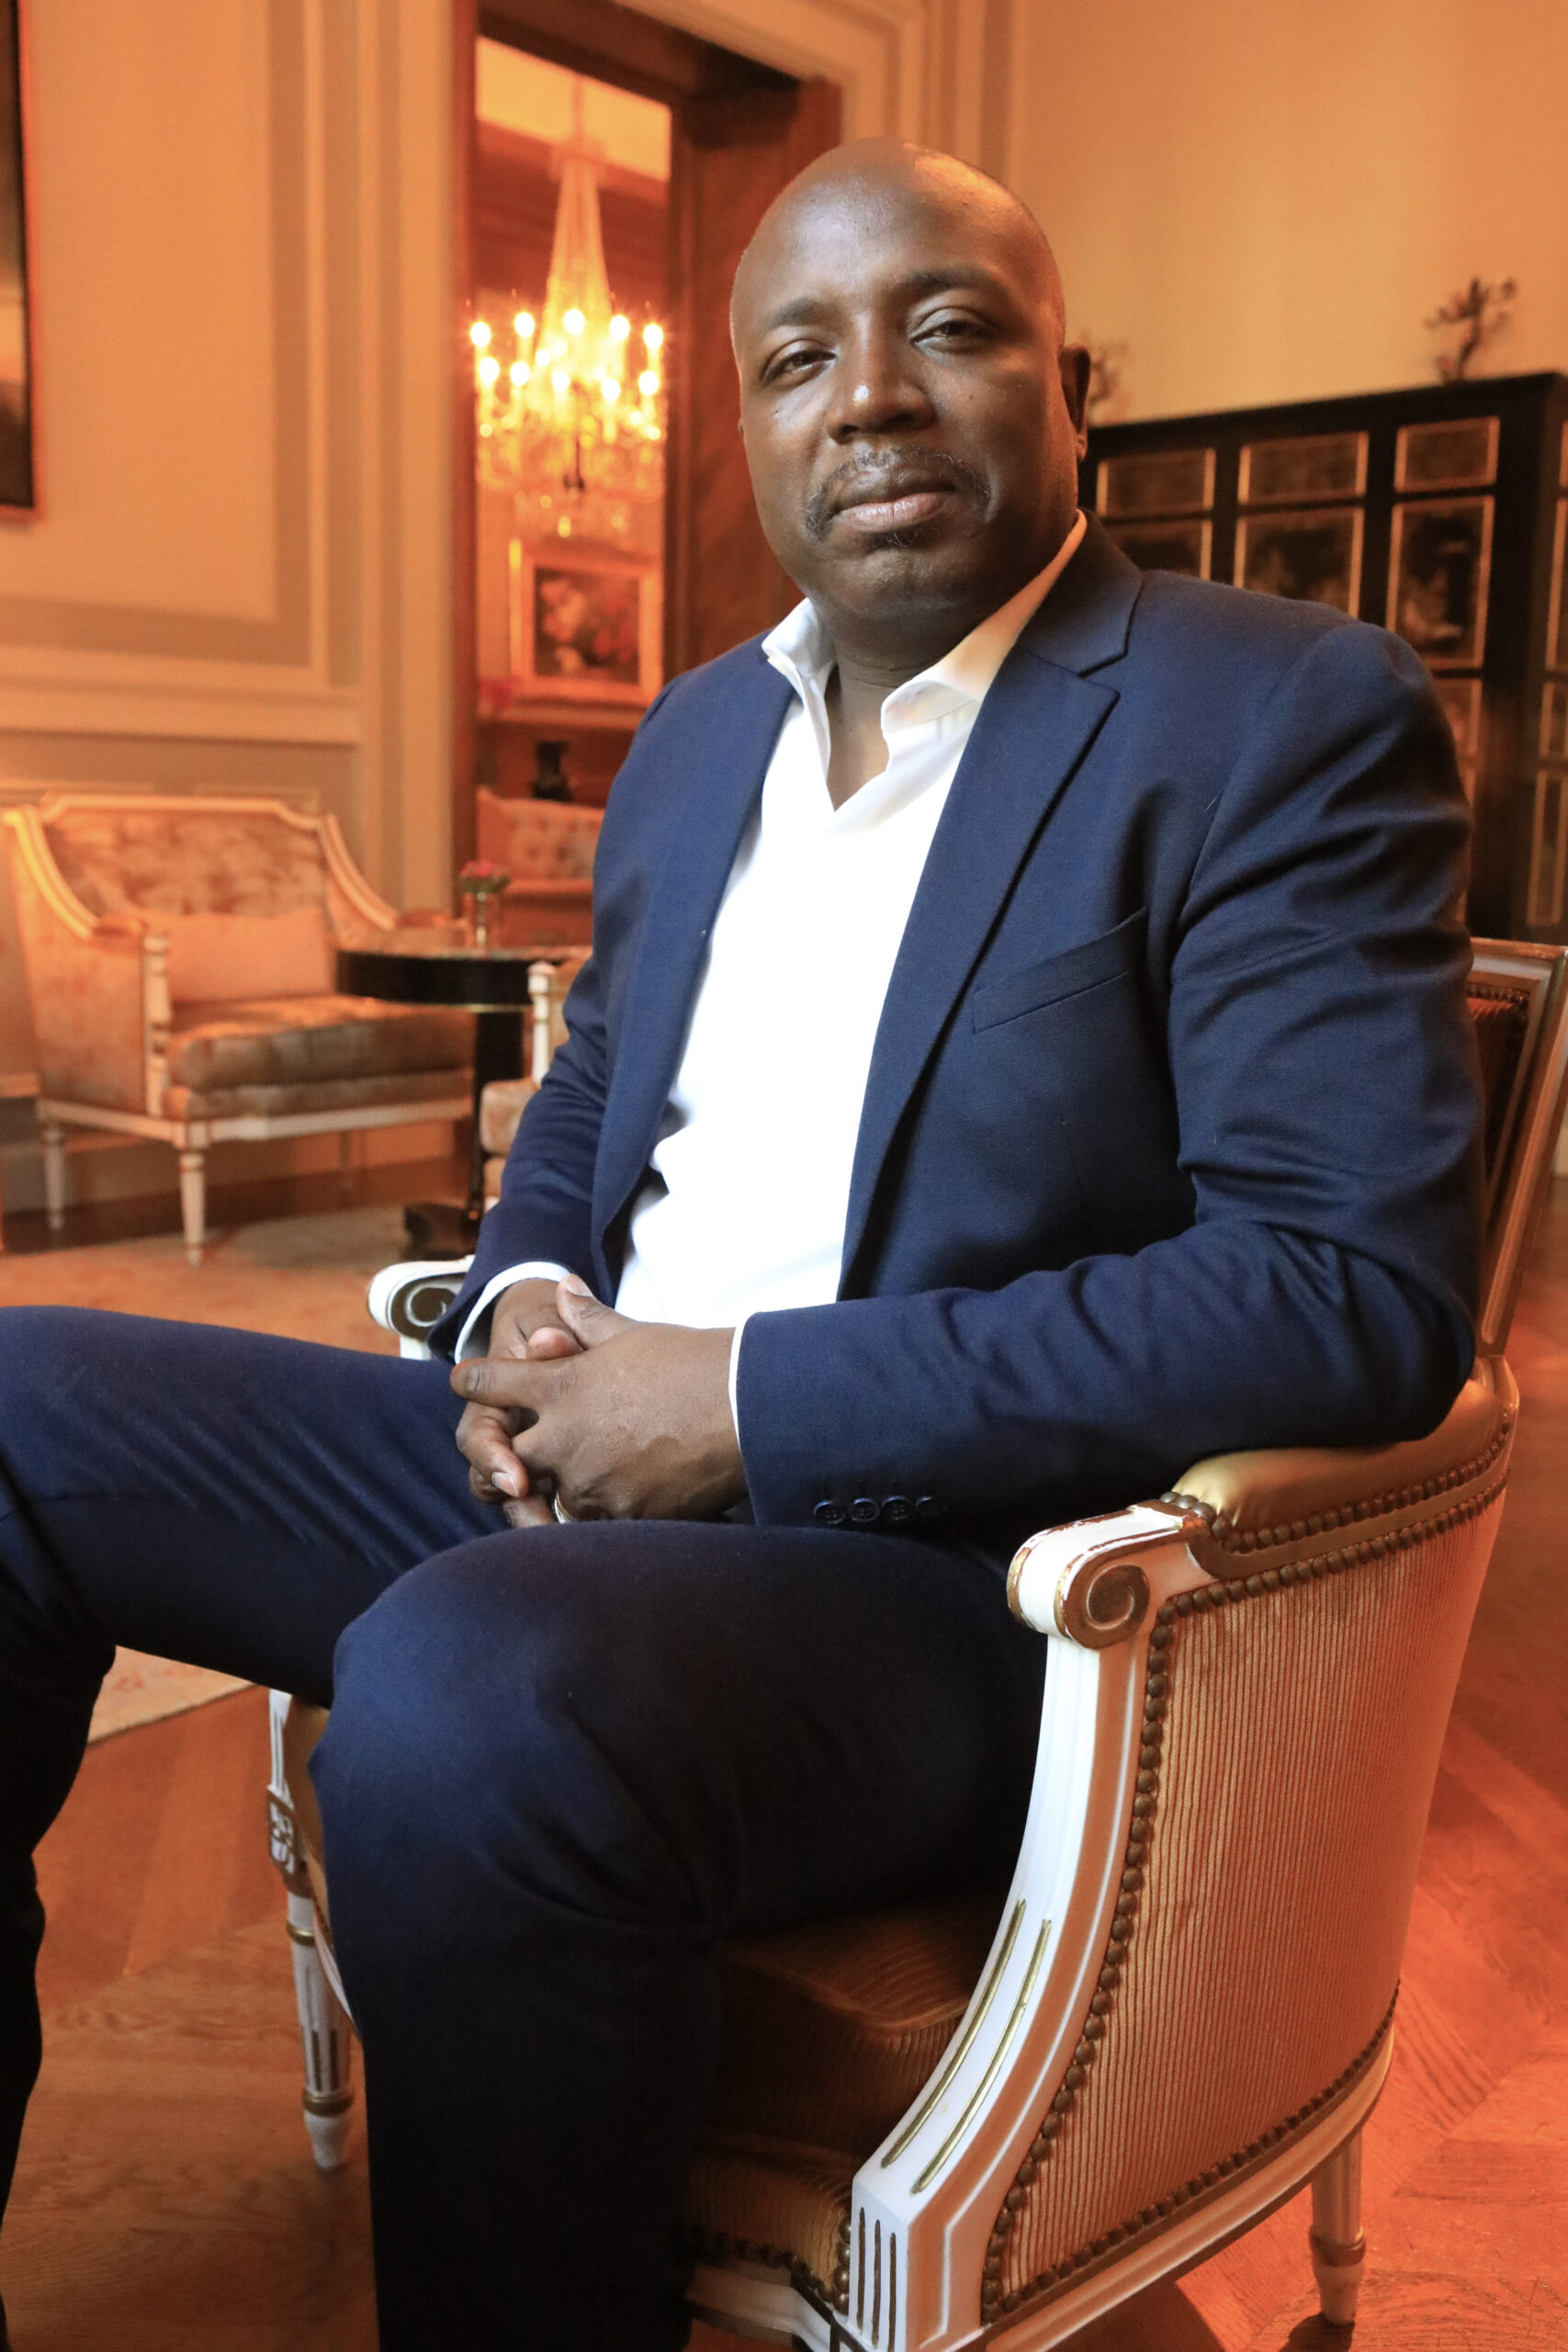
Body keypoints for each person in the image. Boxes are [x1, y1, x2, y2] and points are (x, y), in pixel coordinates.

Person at [0, 141, 1480, 2352]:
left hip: (956, 1574)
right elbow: (597, 1090)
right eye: (797, 357)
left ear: (1063, 383)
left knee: (467, 1686)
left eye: (945, 326)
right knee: (12, 1405)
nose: (867, 393)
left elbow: (1345, 1289)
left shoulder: (1269, 712)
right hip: (584, 1463)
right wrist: (520, 1303)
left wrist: (745, 1401)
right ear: (748, 430)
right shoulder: (697, 735)